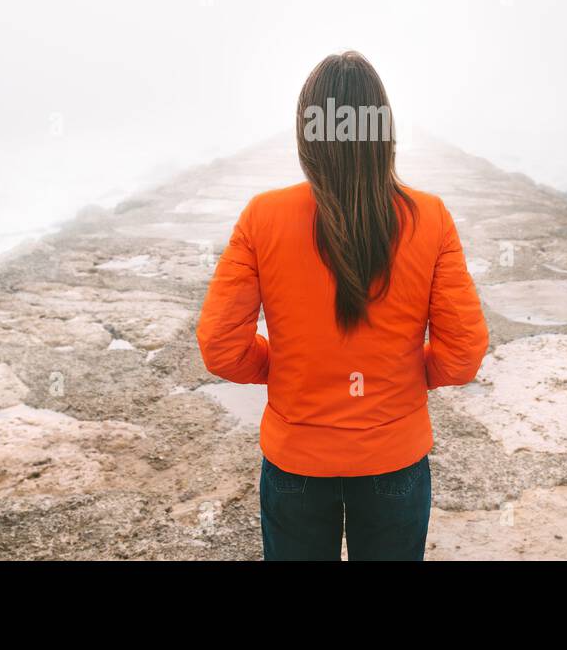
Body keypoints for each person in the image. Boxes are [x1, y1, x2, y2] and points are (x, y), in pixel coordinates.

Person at [196, 50, 490, 560]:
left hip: (296, 464)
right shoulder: (430, 216)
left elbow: (221, 347)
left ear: (306, 133)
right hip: (394, 461)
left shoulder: (263, 216)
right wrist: (406, 376)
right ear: (384, 132)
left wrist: (279, 368)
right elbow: (462, 354)